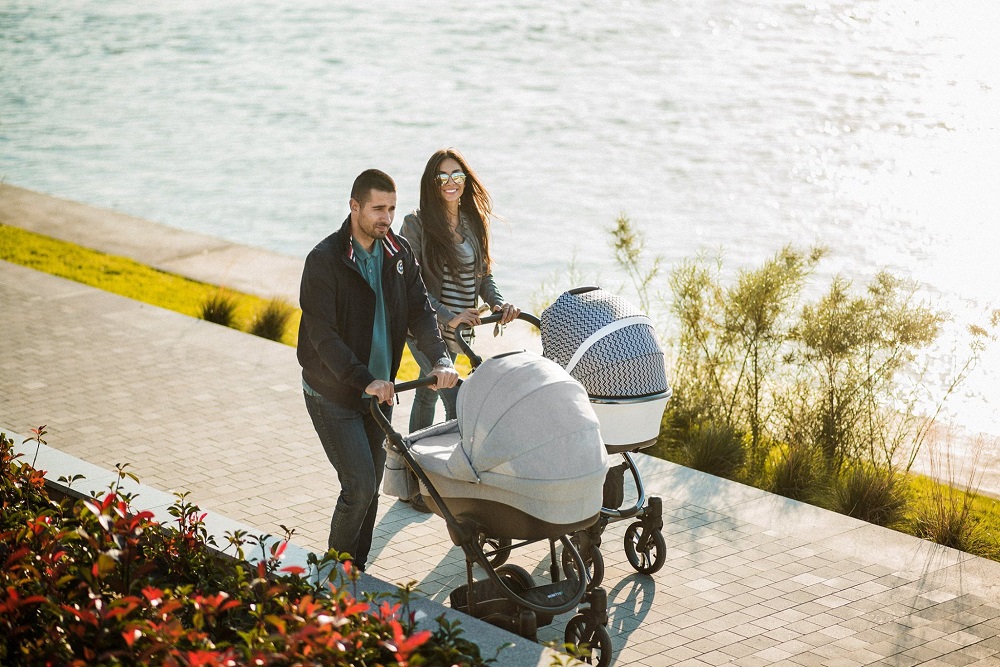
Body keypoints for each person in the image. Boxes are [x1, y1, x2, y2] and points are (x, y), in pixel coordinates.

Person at [297, 168, 459, 571]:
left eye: (391, 208)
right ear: (354, 206)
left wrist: (440, 358)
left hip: (380, 394)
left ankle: (356, 573)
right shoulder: (324, 261)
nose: (386, 218)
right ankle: (330, 576)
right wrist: (365, 380)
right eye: (377, 209)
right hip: (333, 393)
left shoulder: (399, 253)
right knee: (359, 486)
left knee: (369, 491)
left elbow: (421, 312)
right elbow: (323, 337)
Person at [399, 147, 521, 433]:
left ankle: (413, 454)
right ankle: (450, 454)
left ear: (466, 179)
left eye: (456, 175)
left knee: (428, 393)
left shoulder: (473, 221)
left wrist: (498, 304)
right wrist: (449, 317)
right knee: (454, 396)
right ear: (432, 183)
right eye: (442, 177)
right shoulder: (415, 224)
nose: (450, 182)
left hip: (458, 330)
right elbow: (411, 286)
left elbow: (484, 275)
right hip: (425, 327)